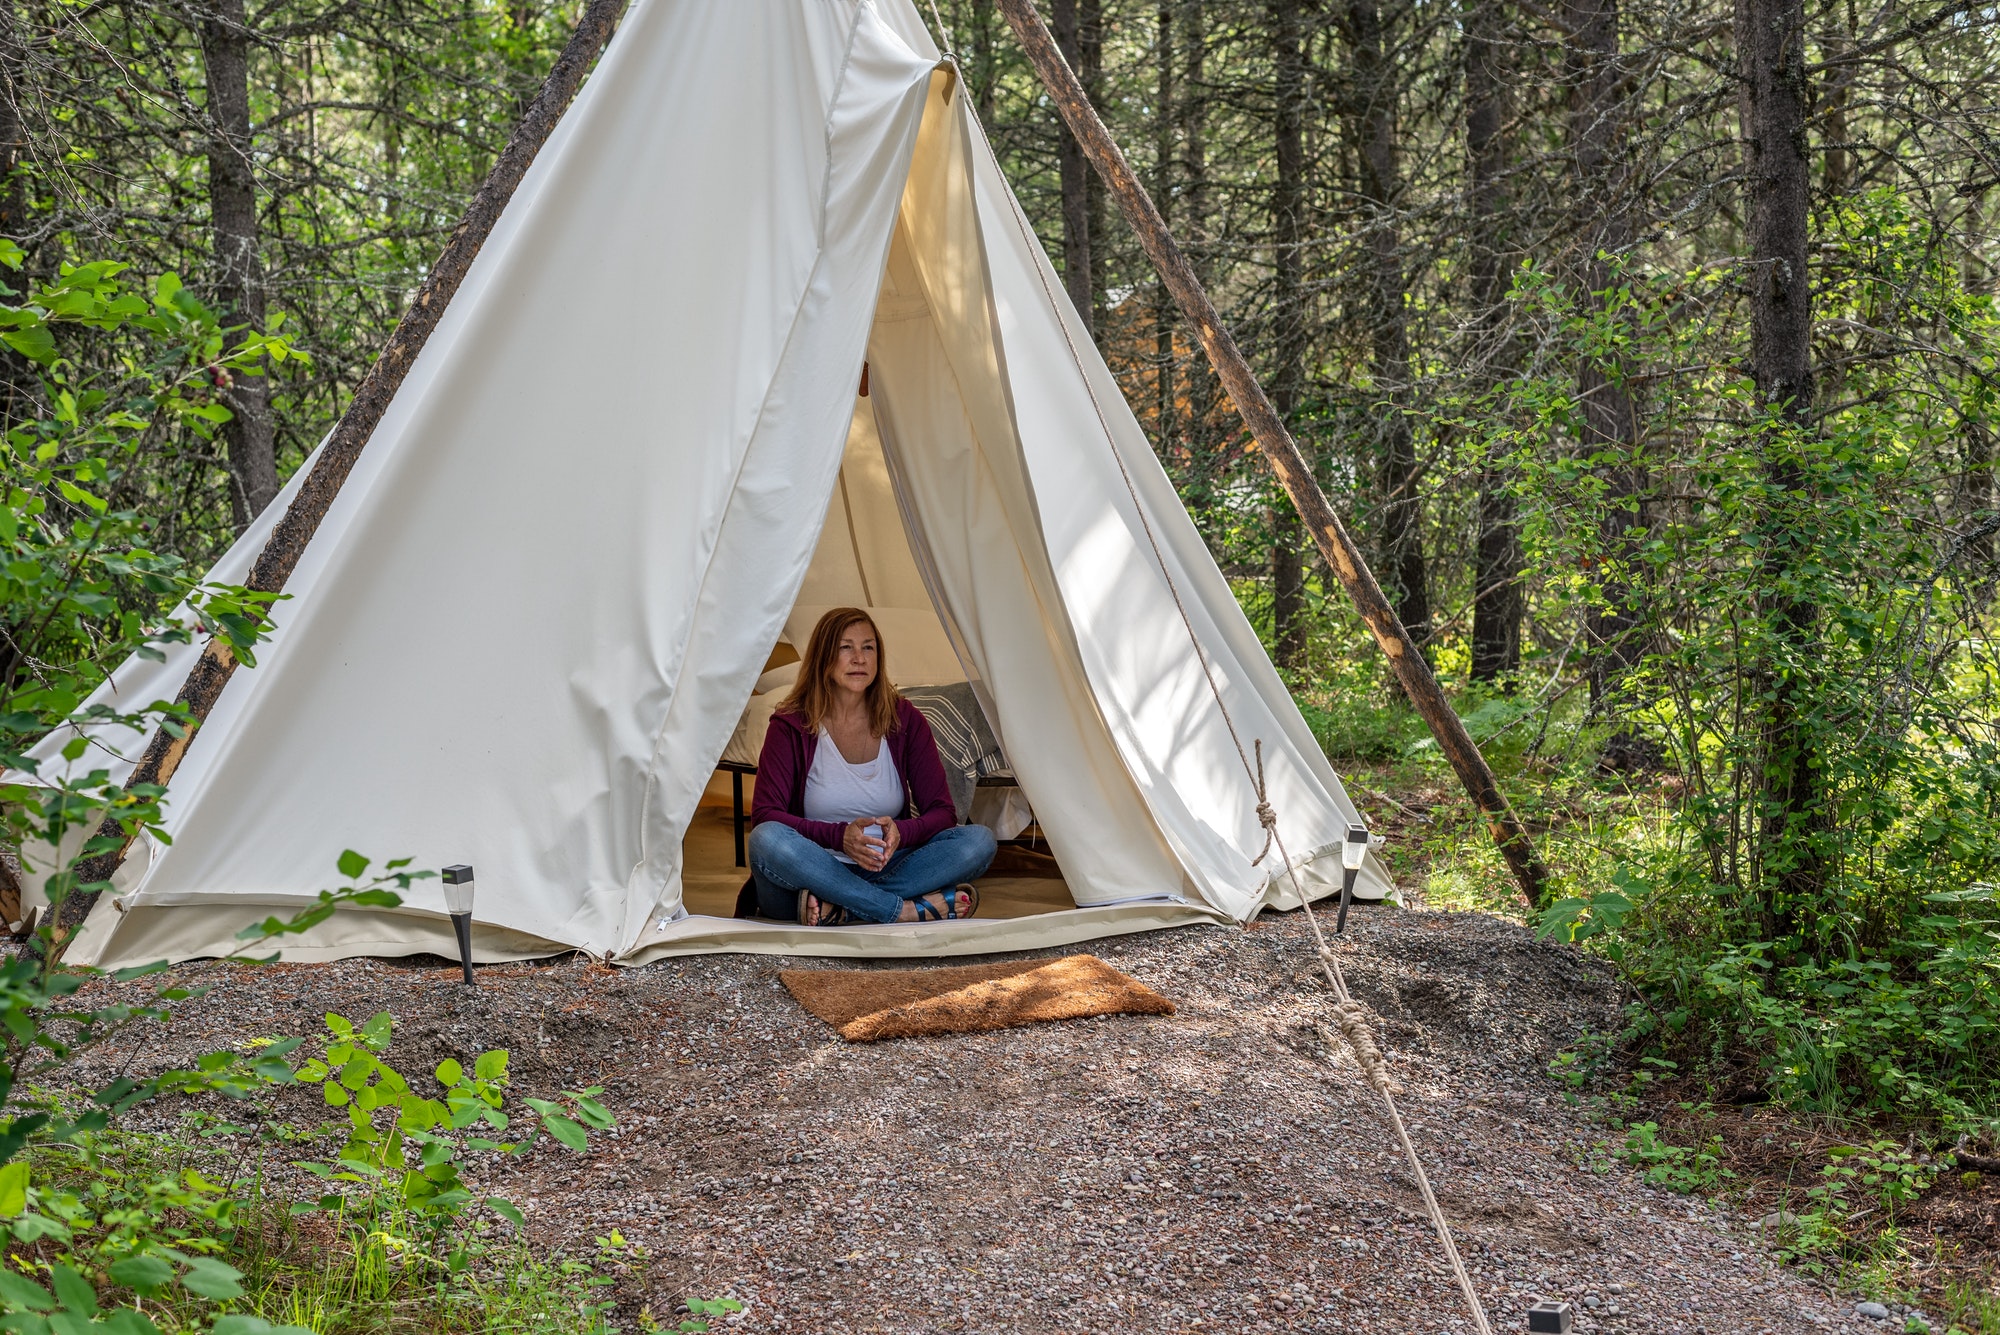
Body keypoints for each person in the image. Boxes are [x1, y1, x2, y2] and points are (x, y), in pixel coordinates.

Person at [748, 607, 996, 926]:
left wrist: (901, 832)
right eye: (846, 647)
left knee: (978, 841)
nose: (860, 658)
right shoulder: (791, 725)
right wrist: (841, 838)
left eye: (868, 647)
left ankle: (843, 909)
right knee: (767, 839)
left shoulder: (905, 720)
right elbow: (766, 815)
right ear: (824, 657)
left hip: (885, 866)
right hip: (811, 872)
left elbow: (942, 811)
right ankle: (901, 910)